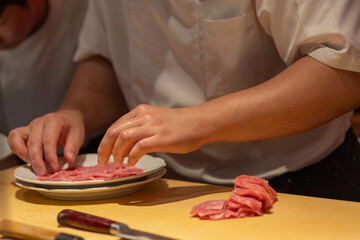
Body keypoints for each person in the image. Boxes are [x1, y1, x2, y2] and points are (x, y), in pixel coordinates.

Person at [8, 0, 360, 201]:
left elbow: (344, 71)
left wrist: (194, 121)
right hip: (163, 184)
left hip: (298, 181)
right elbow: (109, 59)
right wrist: (75, 112)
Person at [0, 0, 88, 162]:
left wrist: (73, 113)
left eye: (2, 23)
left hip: (89, 150)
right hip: (18, 159)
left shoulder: (83, 11)